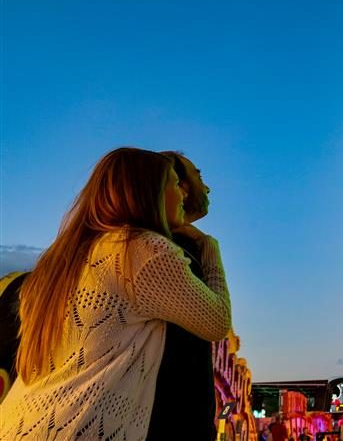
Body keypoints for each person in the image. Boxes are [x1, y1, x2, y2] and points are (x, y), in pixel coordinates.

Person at [0, 147, 231, 439]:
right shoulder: (142, 250)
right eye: (175, 183)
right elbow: (216, 322)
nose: (183, 194)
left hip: (23, 422)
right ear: (150, 190)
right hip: (83, 426)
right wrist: (209, 247)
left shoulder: (64, 260)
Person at [147, 150, 216, 440]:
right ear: (181, 188)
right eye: (196, 176)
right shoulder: (171, 251)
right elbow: (214, 323)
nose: (206, 186)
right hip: (174, 421)